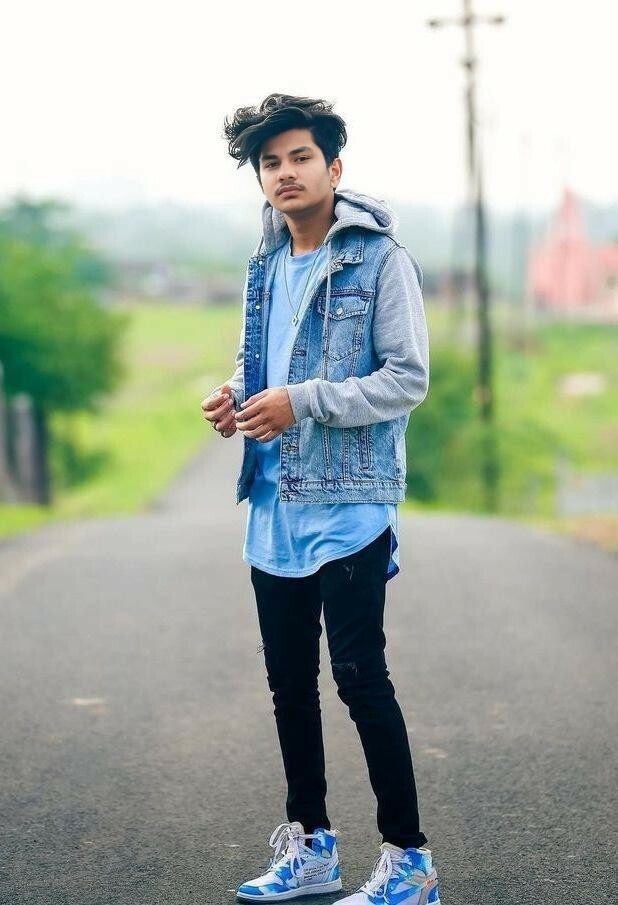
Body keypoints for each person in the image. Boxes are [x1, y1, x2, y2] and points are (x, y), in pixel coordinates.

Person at [201, 94, 440, 905]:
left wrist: (301, 402)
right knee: (289, 687)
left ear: (334, 168)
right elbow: (262, 361)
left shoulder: (379, 260)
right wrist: (236, 394)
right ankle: (312, 848)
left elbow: (406, 379)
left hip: (349, 505)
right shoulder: (266, 262)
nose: (285, 173)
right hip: (273, 505)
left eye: (300, 157)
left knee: (360, 679)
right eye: (270, 163)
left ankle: (410, 861)